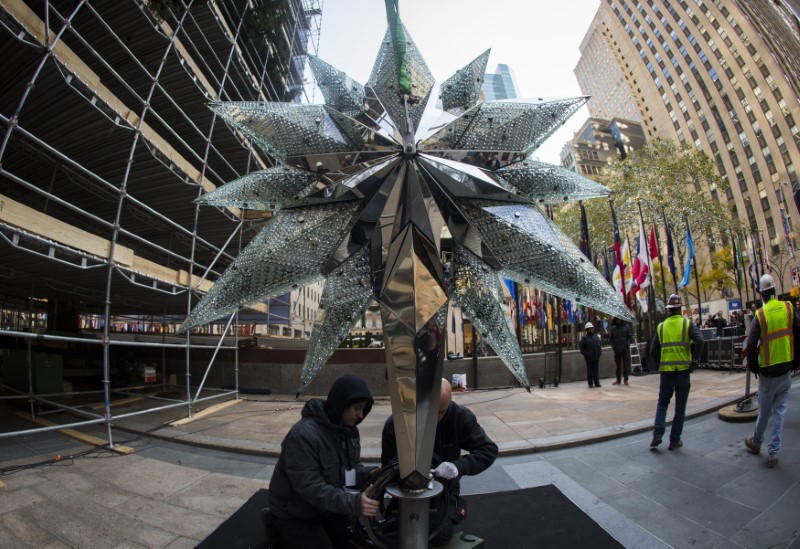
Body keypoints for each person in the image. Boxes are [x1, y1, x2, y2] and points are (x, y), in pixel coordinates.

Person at [265, 374, 379, 548]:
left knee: (353, 540)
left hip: (323, 507)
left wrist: (367, 474)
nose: (361, 415)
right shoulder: (303, 435)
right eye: (357, 407)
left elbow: (348, 472)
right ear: (342, 403)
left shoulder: (348, 430)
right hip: (295, 512)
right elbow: (310, 487)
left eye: (364, 409)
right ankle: (276, 524)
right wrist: (354, 503)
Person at [381, 379, 498, 546]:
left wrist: (458, 467)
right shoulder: (396, 424)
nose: (434, 418)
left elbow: (488, 450)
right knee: (391, 533)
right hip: (407, 489)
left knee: (437, 534)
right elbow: (388, 468)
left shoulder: (460, 417)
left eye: (441, 412)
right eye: (429, 410)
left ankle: (452, 509)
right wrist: (407, 473)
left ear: (450, 403)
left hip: (445, 488)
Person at [743, 273, 800, 468]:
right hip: (785, 368)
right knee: (780, 412)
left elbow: (751, 345)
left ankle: (757, 442)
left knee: (765, 411)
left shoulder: (760, 314)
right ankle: (773, 453)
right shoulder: (788, 308)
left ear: (761, 294)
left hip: (767, 372)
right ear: (775, 291)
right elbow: (798, 334)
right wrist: (796, 361)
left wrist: (754, 367)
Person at [649, 294, 703, 450]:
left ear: (668, 310)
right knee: (680, 408)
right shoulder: (687, 324)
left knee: (662, 404)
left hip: (666, 373)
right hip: (682, 372)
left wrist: (662, 362)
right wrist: (694, 360)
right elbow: (700, 340)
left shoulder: (661, 327)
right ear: (680, 309)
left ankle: (657, 434)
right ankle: (674, 440)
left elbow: (653, 351)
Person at [608, 317, 633, 385]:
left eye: (619, 319)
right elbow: (611, 339)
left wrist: (626, 345)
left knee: (625, 365)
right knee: (618, 365)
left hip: (624, 349)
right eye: (617, 319)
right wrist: (614, 346)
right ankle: (618, 380)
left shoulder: (626, 327)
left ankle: (626, 379)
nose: (618, 320)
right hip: (617, 349)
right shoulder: (613, 328)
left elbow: (629, 337)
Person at [580, 321, 603, 388]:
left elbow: (599, 345)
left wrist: (599, 353)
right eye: (589, 328)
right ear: (587, 330)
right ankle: (590, 383)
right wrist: (586, 354)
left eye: (592, 328)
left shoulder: (596, 337)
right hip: (589, 358)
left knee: (596, 371)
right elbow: (582, 348)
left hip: (596, 356)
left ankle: (597, 383)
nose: (591, 330)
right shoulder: (584, 338)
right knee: (590, 371)